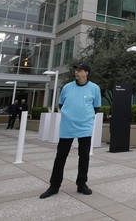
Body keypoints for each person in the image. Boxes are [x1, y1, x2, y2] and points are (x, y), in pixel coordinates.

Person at [39, 63, 101, 199]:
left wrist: (85, 117)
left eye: (79, 70)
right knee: (60, 156)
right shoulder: (67, 87)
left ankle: (81, 184)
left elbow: (96, 107)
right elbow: (61, 104)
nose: (77, 73)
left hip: (85, 128)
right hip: (67, 127)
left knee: (84, 157)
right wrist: (70, 116)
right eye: (76, 71)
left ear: (86, 73)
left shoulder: (95, 88)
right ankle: (54, 186)